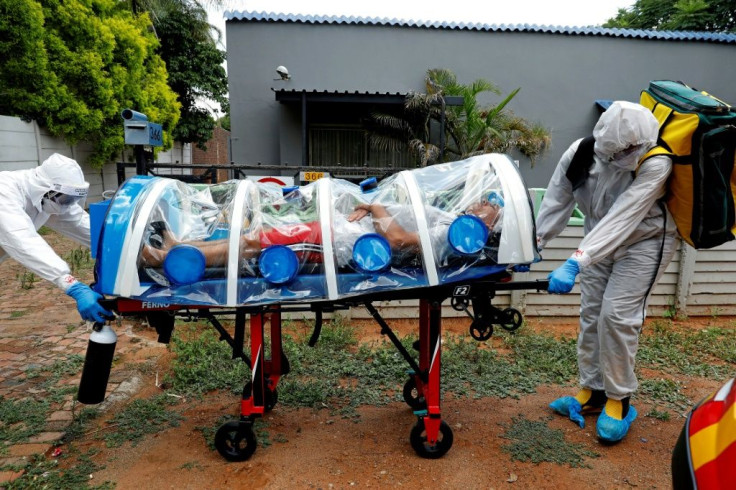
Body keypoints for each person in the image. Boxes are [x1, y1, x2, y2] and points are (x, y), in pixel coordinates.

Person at [535, 101, 678, 443]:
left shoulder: (656, 162)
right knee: (592, 314)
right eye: (613, 152)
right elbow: (556, 200)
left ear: (640, 143)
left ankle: (619, 400)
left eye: (626, 151)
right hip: (597, 240)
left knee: (616, 316)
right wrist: (532, 246)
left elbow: (623, 218)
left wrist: (575, 261)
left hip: (645, 241)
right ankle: (593, 391)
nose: (618, 159)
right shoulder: (582, 152)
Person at [141, 195, 503, 268]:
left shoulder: (452, 234)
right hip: (337, 232)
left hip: (338, 245)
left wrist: (376, 209)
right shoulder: (450, 220)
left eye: (490, 204)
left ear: (488, 225)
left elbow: (397, 241)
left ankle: (163, 259)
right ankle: (179, 245)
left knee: (254, 244)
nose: (482, 201)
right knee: (257, 236)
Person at [0, 154, 113, 323]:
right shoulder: (5, 191)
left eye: (73, 199)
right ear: (46, 188)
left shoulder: (47, 198)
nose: (68, 204)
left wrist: (124, 244)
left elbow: (81, 224)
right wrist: (72, 285)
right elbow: (22, 239)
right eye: (66, 198)